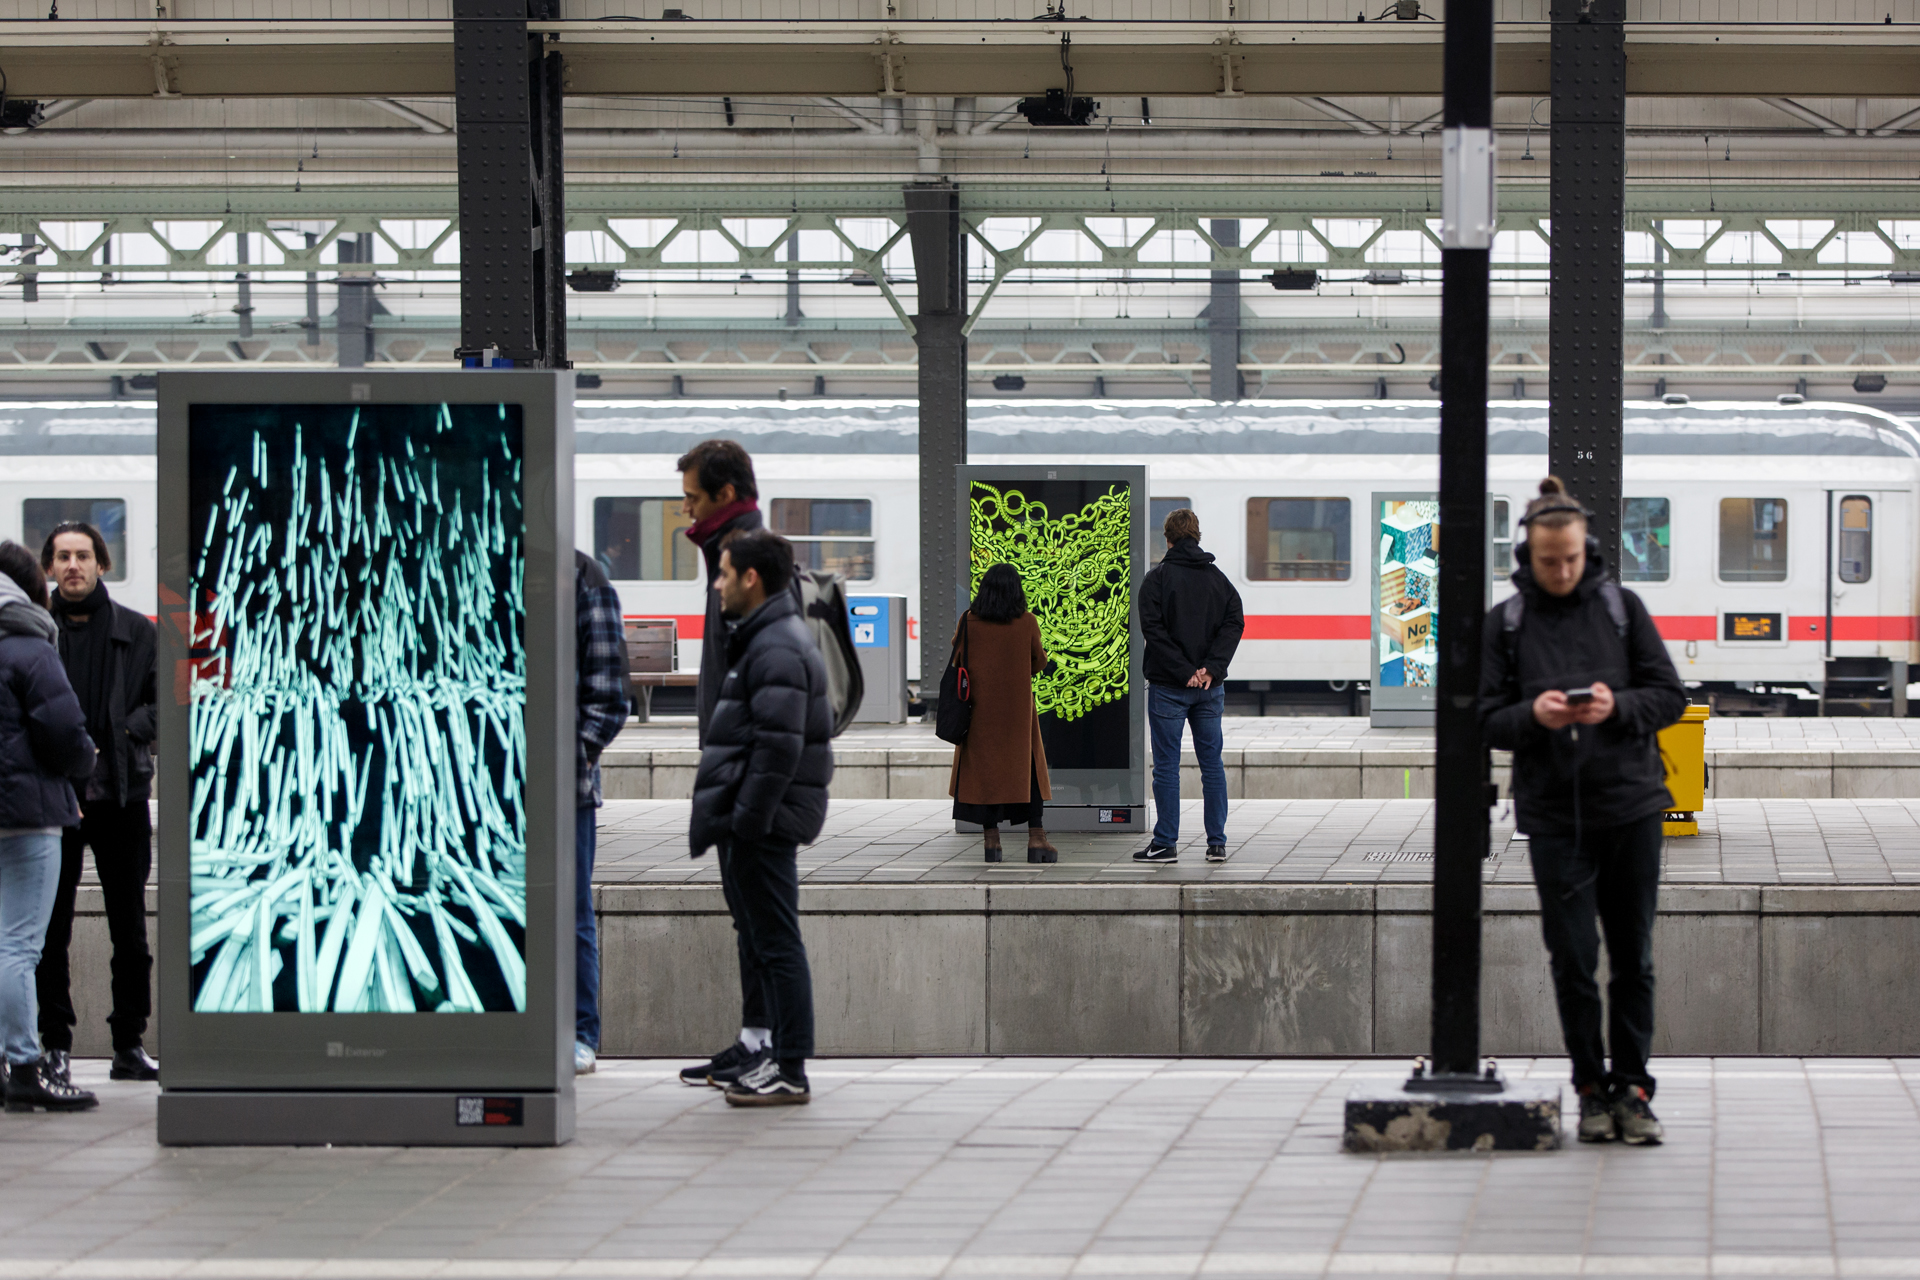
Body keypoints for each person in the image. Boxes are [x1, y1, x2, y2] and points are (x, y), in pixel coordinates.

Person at [1478, 476, 1687, 1147]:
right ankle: (1591, 1089)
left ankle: (1634, 1089)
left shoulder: (1623, 608)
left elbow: (1670, 696)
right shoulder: (1507, 623)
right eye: (1549, 561)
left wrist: (1616, 707)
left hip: (1632, 808)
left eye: (1570, 558)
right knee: (1573, 959)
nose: (1562, 571)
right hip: (1553, 817)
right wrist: (1533, 717)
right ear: (1527, 556)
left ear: (1587, 549)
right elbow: (1483, 718)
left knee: (1634, 958)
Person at [685, 529, 832, 1107]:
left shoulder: (775, 646)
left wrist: (747, 819)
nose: (716, 585)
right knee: (764, 939)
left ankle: (790, 1067)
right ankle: (772, 1055)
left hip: (765, 823)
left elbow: (777, 748)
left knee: (776, 942)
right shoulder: (767, 637)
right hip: (759, 819)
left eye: (723, 573)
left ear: (751, 578)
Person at [675, 438, 786, 1091]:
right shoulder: (729, 551)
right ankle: (753, 1039)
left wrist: (747, 780)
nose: (686, 510)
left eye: (693, 497)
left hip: (745, 771)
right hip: (732, 764)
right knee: (746, 913)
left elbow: (766, 680)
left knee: (761, 917)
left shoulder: (746, 560)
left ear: (724, 494)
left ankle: (771, 1049)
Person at [35, 521, 158, 1085]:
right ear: (49, 568)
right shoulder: (36, 630)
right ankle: (55, 1045)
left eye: (83, 556)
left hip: (121, 797)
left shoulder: (137, 630)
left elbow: (166, 702)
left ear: (102, 564)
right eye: (62, 557)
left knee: (130, 929)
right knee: (50, 931)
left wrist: (126, 731)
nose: (73, 566)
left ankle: (129, 1043)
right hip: (56, 800)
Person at [0, 540, 98, 1113]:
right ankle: (24, 1066)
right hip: (28, 819)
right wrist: (85, 760)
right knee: (17, 946)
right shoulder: (29, 647)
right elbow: (63, 731)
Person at [1134, 508, 1244, 863]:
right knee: (1211, 765)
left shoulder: (1156, 580)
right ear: (1197, 536)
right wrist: (1211, 668)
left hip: (1168, 686)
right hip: (1209, 689)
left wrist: (1184, 671)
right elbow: (1235, 622)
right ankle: (1217, 844)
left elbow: (1153, 631)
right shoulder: (1219, 580)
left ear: (1167, 539)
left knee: (1167, 767)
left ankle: (1165, 844)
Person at [947, 564, 1056, 865]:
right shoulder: (1027, 621)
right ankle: (1037, 839)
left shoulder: (968, 621)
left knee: (986, 776)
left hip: (979, 713)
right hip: (1017, 715)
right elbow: (1039, 661)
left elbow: (957, 659)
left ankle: (991, 842)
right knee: (1029, 773)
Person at [573, 550, 631, 1076]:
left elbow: (610, 697)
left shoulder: (582, 576)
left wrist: (570, 759)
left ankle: (579, 1031)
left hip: (564, 791)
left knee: (571, 913)